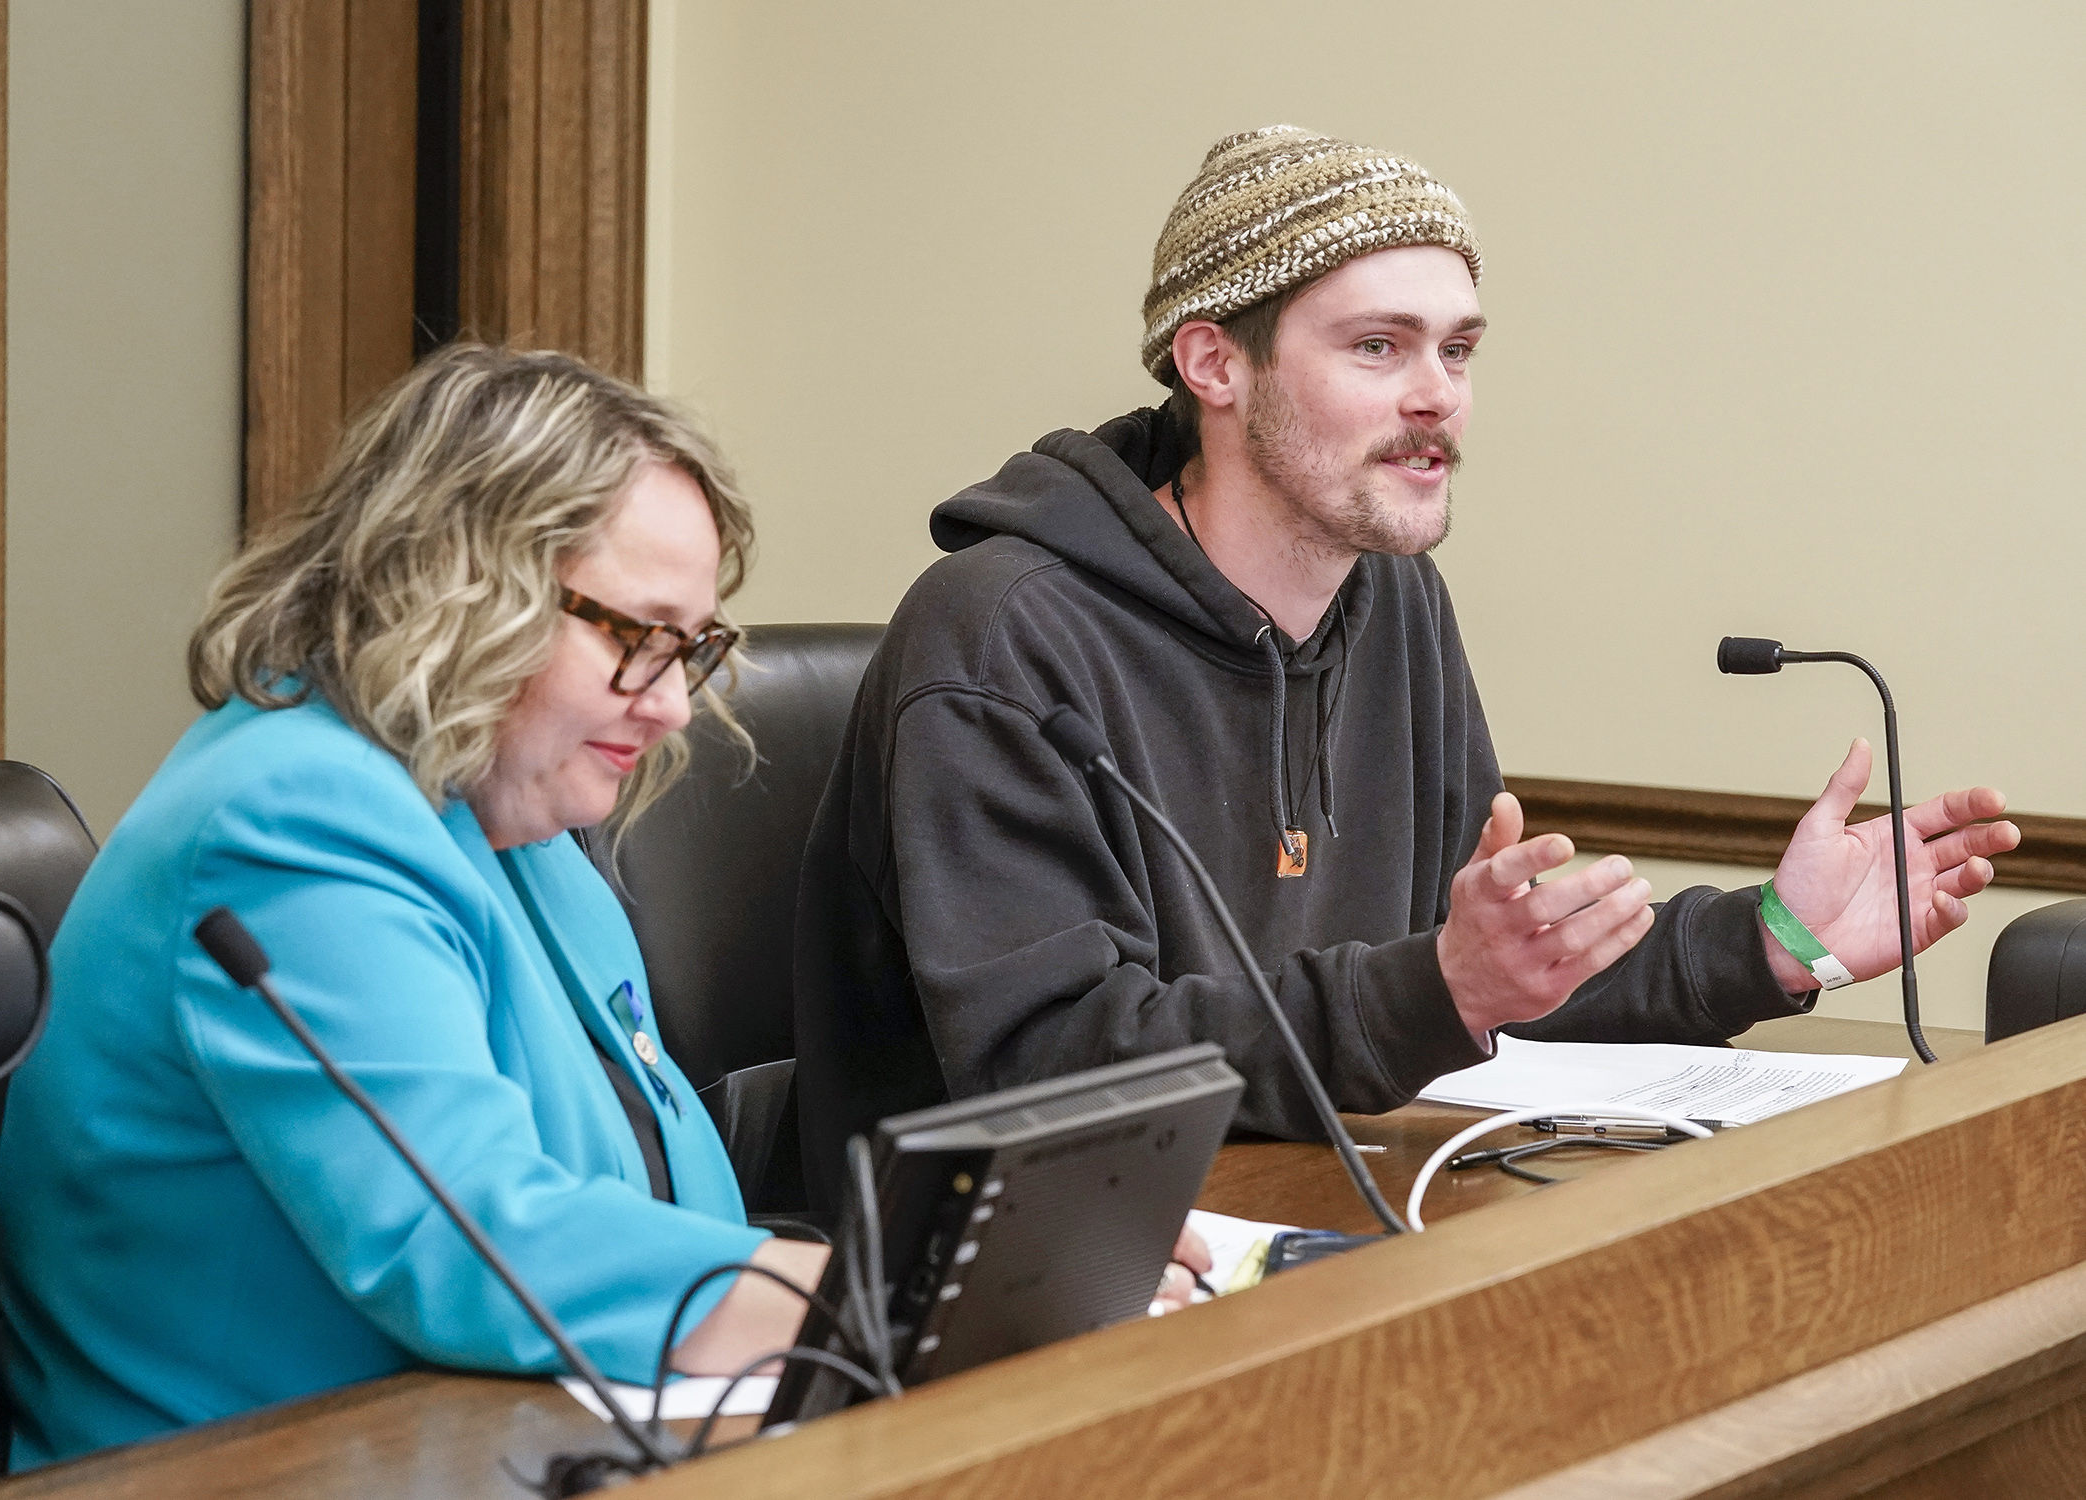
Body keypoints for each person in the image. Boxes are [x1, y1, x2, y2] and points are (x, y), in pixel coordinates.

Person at [791, 126, 2021, 1206]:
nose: (1440, 397)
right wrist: (1439, 985)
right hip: (1003, 1296)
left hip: (1294, 1212)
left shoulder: (1394, 601)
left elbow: (1484, 972)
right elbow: (1050, 1069)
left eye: (1459, 350)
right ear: (1214, 363)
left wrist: (1770, 936)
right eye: (1380, 348)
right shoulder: (1003, 631)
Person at [0, 348, 827, 1468]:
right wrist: (877, 1292)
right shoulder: (290, 820)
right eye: (641, 637)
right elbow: (472, 1245)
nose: (676, 704)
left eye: (698, 646)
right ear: (461, 589)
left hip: (494, 1443)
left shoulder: (516, 828)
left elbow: (676, 1203)